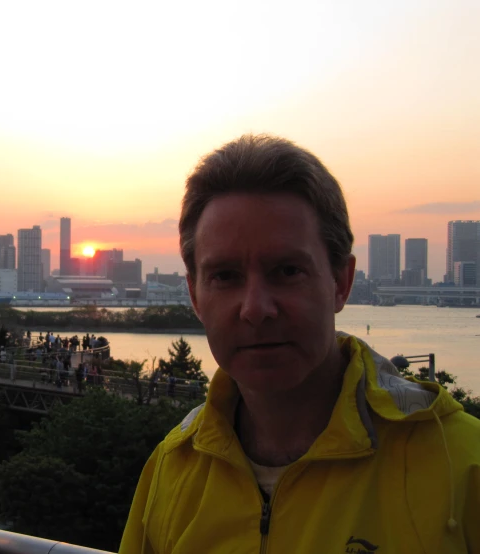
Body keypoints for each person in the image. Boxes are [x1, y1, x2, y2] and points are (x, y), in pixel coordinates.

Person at [119, 135, 480, 553]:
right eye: (225, 276)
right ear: (196, 297)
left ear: (340, 282)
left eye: (287, 270)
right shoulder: (172, 469)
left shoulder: (460, 467)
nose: (255, 308)